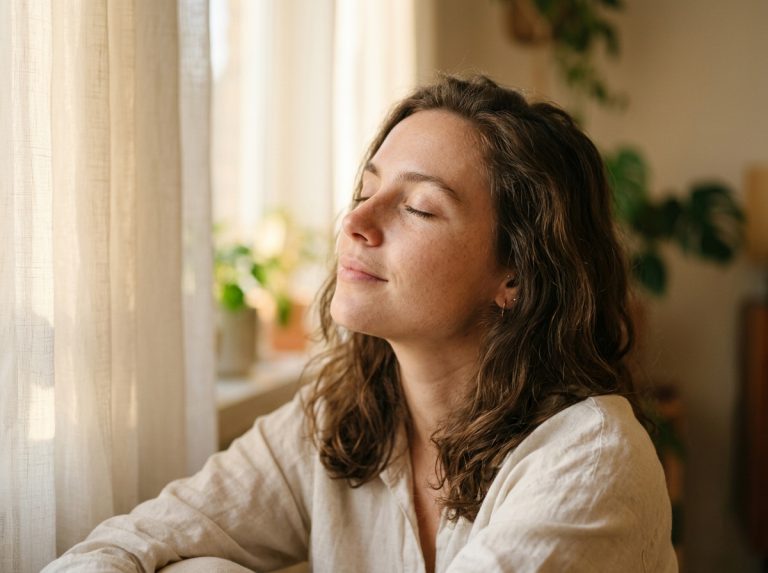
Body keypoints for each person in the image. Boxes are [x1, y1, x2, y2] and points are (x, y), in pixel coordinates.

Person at [44, 75, 677, 573]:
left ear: (515, 272)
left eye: (420, 207)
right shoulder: (340, 416)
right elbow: (131, 541)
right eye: (364, 190)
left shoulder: (591, 461)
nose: (356, 223)